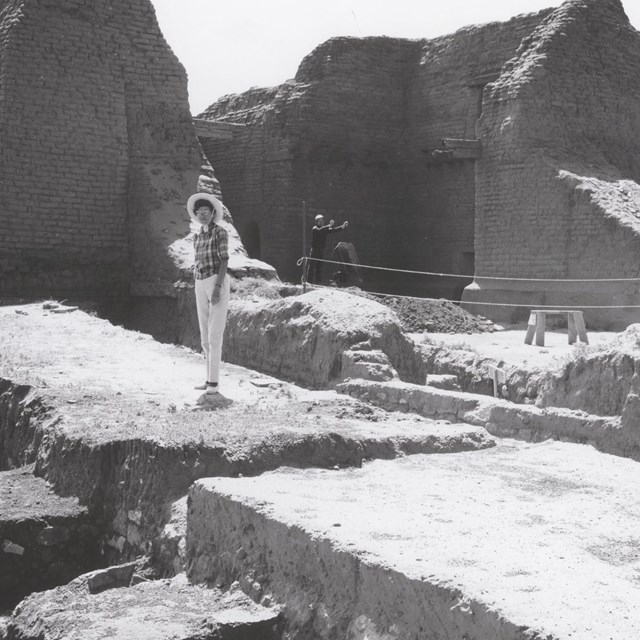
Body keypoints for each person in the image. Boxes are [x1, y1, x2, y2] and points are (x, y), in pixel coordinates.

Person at [187, 192, 230, 395]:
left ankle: (214, 384)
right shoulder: (197, 235)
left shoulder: (219, 232)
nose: (203, 215)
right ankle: (208, 379)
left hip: (216, 280)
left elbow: (224, 261)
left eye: (206, 211)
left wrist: (217, 287)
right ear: (195, 215)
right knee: (204, 336)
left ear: (213, 213)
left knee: (214, 334)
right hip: (200, 281)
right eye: (199, 212)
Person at [307, 214, 348, 284]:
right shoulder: (315, 228)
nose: (321, 223)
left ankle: (318, 283)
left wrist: (342, 227)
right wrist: (329, 225)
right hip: (314, 251)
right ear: (316, 222)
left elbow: (333, 230)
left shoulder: (324, 229)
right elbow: (320, 230)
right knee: (311, 268)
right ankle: (308, 283)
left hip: (321, 251)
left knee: (319, 268)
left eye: (322, 221)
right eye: (319, 221)